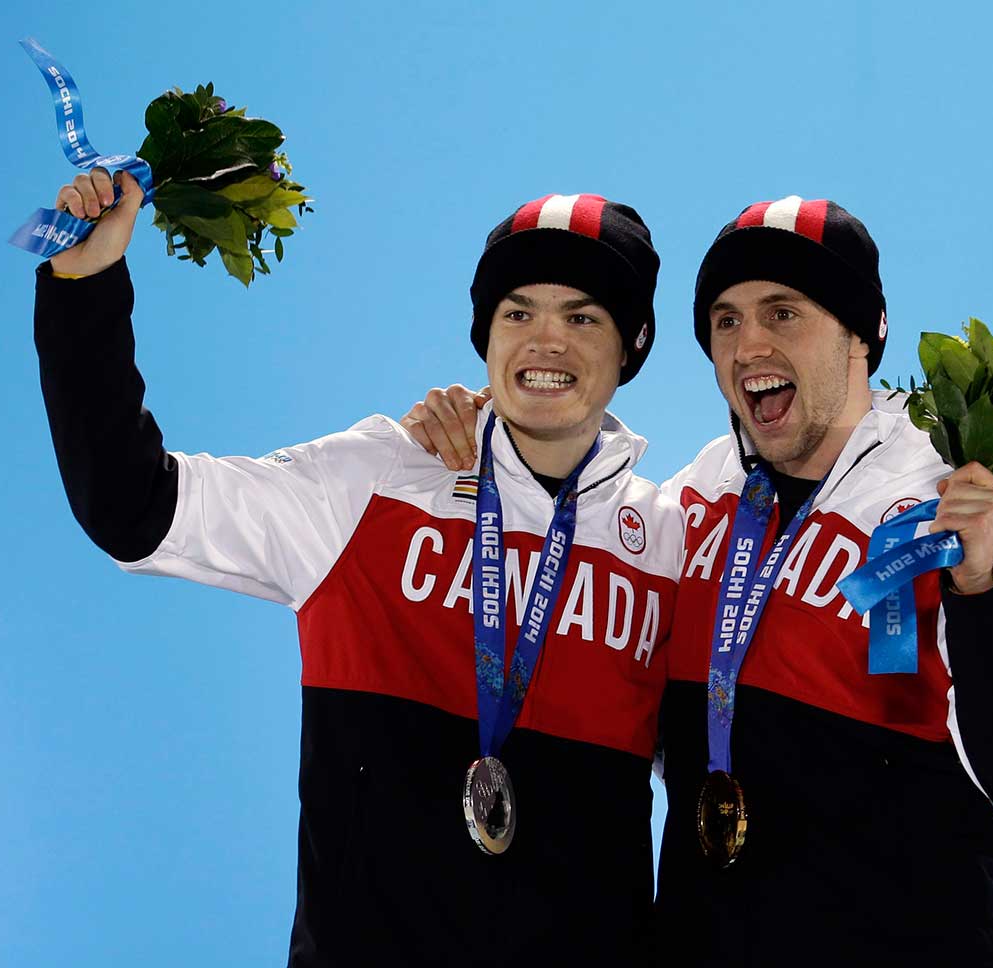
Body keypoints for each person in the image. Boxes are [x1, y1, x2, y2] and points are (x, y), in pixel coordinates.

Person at [403, 195, 993, 967]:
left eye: (782, 313)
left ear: (862, 333)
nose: (748, 342)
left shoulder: (957, 517)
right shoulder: (691, 502)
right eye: (725, 320)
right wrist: (470, 432)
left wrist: (981, 586)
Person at [34, 172, 684, 967]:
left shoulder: (673, 542)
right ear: (485, 337)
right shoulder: (373, 479)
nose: (545, 341)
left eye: (582, 316)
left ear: (634, 345)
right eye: (518, 313)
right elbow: (129, 504)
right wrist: (83, 284)